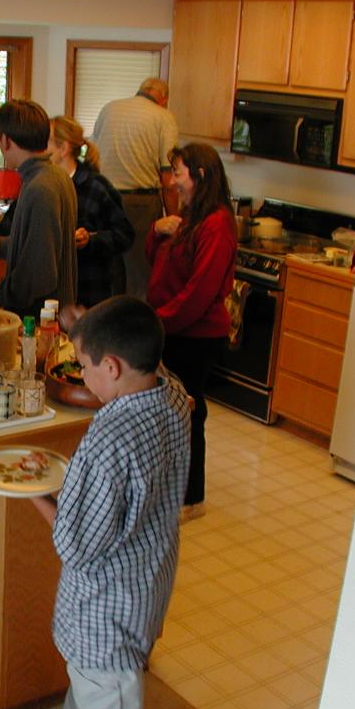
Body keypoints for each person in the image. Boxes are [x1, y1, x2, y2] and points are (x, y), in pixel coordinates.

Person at [29, 295, 190, 709]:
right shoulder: (174, 397)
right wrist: (86, 327)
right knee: (90, 672)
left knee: (112, 694)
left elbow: (75, 545)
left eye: (86, 365)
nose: (84, 375)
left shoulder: (109, 438)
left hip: (108, 597)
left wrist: (30, 493)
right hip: (150, 570)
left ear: (114, 367)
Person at [146, 142, 237, 522]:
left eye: (178, 173)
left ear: (199, 176)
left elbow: (198, 293)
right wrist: (156, 230)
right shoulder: (191, 216)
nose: (173, 181)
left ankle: (189, 498)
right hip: (174, 327)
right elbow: (159, 261)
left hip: (195, 335)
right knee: (172, 412)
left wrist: (157, 324)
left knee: (187, 411)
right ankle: (171, 491)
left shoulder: (216, 223)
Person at [0, 99, 77, 320]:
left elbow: (40, 272)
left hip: (39, 317)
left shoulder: (40, 187)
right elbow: (44, 243)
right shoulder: (57, 175)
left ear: (5, 140)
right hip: (54, 309)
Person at [90, 77, 179, 298]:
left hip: (102, 199)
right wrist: (175, 217)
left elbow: (91, 153)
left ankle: (107, 326)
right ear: (163, 99)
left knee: (109, 273)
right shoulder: (163, 117)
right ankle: (137, 328)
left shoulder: (109, 109)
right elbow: (168, 177)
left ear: (140, 91)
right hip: (140, 204)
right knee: (141, 274)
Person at [48, 115, 134, 307]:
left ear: (63, 149)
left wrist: (91, 239)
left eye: (46, 142)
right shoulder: (43, 184)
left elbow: (124, 235)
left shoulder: (96, 186)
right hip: (52, 290)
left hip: (87, 291)